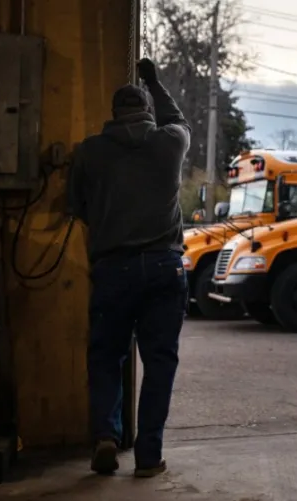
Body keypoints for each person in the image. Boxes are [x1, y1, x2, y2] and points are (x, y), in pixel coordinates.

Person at [67, 57, 190, 478]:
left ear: (114, 114)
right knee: (159, 362)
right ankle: (149, 456)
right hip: (163, 267)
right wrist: (155, 82)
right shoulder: (169, 143)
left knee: (105, 356)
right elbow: (179, 119)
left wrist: (106, 222)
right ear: (148, 111)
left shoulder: (90, 151)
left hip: (113, 267)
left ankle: (106, 435)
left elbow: (75, 205)